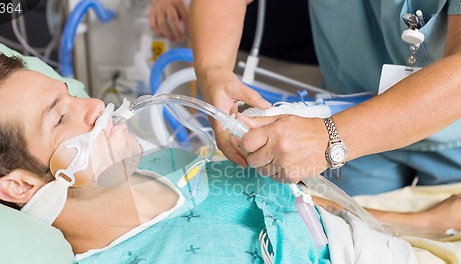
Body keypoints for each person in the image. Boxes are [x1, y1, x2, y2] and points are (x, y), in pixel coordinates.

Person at [0, 51, 459, 264]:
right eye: (59, 116)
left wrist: (425, 222)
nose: (92, 105)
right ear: (23, 186)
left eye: (71, 95)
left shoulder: (165, 167)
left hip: (417, 255)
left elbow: (309, 208)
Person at [189, 0, 461, 196]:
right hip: (348, 125)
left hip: (451, 134)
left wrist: (328, 139)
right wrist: (213, 67)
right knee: (347, 240)